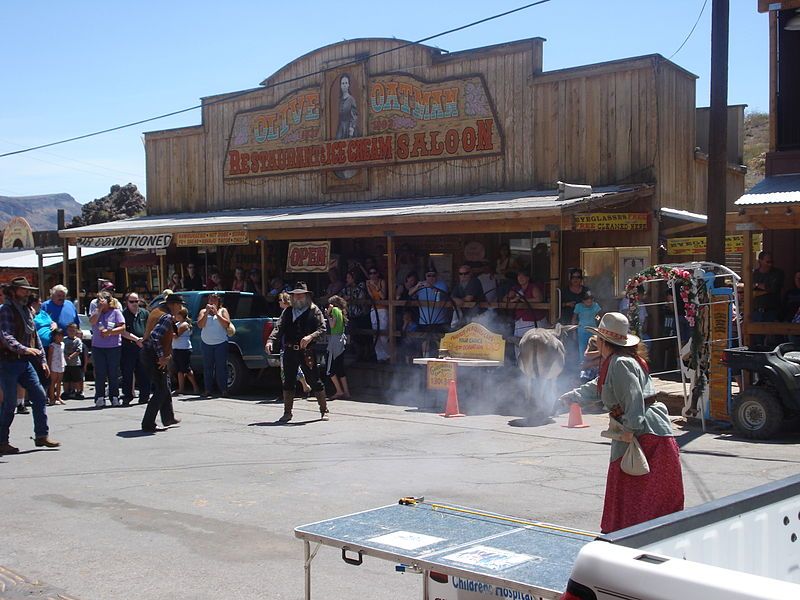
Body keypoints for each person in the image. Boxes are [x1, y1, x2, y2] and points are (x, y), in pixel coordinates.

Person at [560, 312, 684, 533]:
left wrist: (630, 429)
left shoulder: (620, 363)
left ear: (601, 341)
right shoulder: (617, 362)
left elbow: (633, 397)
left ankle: (627, 535)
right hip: (645, 431)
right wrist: (574, 396)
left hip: (646, 434)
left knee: (639, 493)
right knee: (640, 494)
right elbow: (599, 386)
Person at [0, 277, 60, 454]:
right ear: (13, 291)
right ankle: (2, 441)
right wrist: (25, 349)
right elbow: (5, 336)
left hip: (24, 362)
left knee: (40, 396)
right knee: (9, 404)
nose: (27, 293)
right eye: (23, 289)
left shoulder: (26, 310)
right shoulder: (6, 310)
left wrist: (41, 359)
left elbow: (35, 337)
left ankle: (41, 435)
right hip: (8, 361)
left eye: (27, 289)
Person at [265, 282, 329, 422]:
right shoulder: (287, 312)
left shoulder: (314, 310)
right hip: (289, 350)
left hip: (307, 351)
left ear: (306, 296)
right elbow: (278, 328)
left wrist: (310, 336)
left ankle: (324, 410)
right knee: (288, 381)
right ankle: (287, 413)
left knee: (314, 380)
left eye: (301, 295)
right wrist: (270, 340)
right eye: (295, 295)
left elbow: (323, 329)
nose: (298, 298)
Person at [141, 294, 184, 432]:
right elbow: (155, 336)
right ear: (173, 304)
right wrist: (162, 357)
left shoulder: (156, 311)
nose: (181, 308)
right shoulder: (166, 316)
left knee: (165, 385)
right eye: (179, 305)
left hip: (148, 352)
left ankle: (168, 417)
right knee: (161, 389)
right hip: (153, 354)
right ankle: (148, 423)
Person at [89, 290, 125, 407]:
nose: (99, 302)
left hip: (113, 347)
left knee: (113, 372)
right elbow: (92, 322)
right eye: (98, 300)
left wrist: (110, 332)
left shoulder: (115, 312)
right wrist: (99, 309)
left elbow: (122, 328)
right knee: (100, 372)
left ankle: (114, 396)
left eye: (101, 300)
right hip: (98, 347)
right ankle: (99, 397)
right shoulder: (96, 311)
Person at [409, 267, 450, 357]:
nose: (431, 277)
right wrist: (416, 286)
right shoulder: (421, 286)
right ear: (425, 276)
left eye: (433, 275)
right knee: (424, 340)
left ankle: (442, 359)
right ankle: (425, 359)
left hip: (439, 320)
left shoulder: (441, 284)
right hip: (424, 320)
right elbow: (409, 294)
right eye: (429, 275)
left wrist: (431, 287)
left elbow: (444, 295)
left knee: (440, 340)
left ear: (437, 276)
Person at [197, 292, 231, 397]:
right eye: (211, 300)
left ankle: (224, 390)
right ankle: (208, 390)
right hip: (207, 343)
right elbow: (200, 325)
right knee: (207, 367)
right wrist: (207, 313)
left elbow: (227, 324)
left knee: (221, 367)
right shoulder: (203, 311)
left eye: (215, 299)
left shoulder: (223, 310)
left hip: (220, 343)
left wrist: (217, 314)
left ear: (218, 301)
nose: (212, 302)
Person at [121, 292, 151, 406]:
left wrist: (143, 339)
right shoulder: (123, 314)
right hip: (128, 347)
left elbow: (150, 327)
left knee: (144, 372)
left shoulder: (144, 313)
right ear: (126, 302)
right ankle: (127, 396)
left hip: (143, 347)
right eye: (131, 302)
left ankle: (145, 396)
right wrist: (136, 339)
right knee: (127, 372)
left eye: (136, 301)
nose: (134, 304)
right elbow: (122, 331)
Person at [505, 270, 549, 346]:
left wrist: (522, 299)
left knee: (532, 344)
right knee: (519, 344)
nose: (520, 278)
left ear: (527, 278)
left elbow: (539, 299)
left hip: (533, 320)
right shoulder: (515, 288)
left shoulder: (533, 287)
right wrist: (513, 299)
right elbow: (505, 299)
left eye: (522, 276)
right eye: (519, 276)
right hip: (520, 320)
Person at [752, 251, 783, 345]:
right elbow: (748, 289)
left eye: (771, 262)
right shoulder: (754, 274)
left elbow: (774, 289)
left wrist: (757, 286)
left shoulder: (777, 273)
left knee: (771, 339)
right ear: (760, 261)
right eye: (767, 262)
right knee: (757, 339)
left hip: (772, 311)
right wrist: (765, 288)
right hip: (756, 311)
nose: (770, 264)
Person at [341, 270, 371, 361]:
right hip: (351, 315)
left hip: (361, 315)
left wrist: (351, 298)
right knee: (354, 335)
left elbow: (362, 298)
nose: (347, 279)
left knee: (364, 336)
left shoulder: (360, 287)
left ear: (354, 278)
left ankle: (366, 355)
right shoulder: (345, 289)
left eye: (349, 277)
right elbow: (339, 297)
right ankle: (358, 354)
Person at [325, 295, 351, 400]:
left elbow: (332, 325)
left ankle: (339, 391)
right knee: (340, 368)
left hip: (334, 341)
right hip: (341, 340)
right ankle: (346, 392)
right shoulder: (341, 311)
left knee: (329, 369)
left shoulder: (335, 310)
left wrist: (328, 315)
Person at [172, 306, 199, 395]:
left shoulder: (184, 325)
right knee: (179, 370)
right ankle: (181, 388)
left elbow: (176, 336)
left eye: (177, 314)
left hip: (184, 349)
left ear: (181, 315)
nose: (175, 315)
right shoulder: (177, 324)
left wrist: (169, 329)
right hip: (176, 349)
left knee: (186, 369)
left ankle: (195, 387)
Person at [366, 267, 389, 362]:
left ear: (377, 274)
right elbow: (371, 297)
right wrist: (369, 287)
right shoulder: (368, 283)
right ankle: (380, 356)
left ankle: (388, 355)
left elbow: (383, 296)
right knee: (375, 334)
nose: (372, 275)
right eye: (370, 273)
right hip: (373, 309)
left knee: (383, 334)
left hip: (382, 309)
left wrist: (375, 286)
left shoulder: (381, 282)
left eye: (374, 273)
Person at [572, 290, 602, 355]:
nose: (589, 301)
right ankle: (583, 363)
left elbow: (599, 316)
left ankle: (593, 363)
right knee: (582, 348)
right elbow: (574, 319)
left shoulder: (595, 305)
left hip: (593, 330)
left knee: (594, 347)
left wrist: (597, 319)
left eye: (591, 300)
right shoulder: (578, 306)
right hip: (582, 330)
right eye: (587, 300)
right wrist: (574, 332)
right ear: (583, 300)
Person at [63, 322, 84, 400]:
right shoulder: (64, 340)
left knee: (76, 379)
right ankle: (66, 392)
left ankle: (78, 392)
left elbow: (79, 350)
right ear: (67, 331)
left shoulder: (78, 340)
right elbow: (62, 349)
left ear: (76, 331)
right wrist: (65, 356)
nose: (71, 332)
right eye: (69, 330)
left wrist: (71, 356)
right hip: (66, 364)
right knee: (66, 379)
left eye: (73, 330)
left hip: (75, 363)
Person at [47, 328, 65, 405]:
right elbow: (50, 357)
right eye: (58, 335)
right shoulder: (52, 346)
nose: (60, 337)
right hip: (54, 365)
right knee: (53, 382)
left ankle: (58, 397)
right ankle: (52, 398)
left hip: (61, 364)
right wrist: (49, 367)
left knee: (59, 382)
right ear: (54, 336)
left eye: (61, 335)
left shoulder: (63, 344)